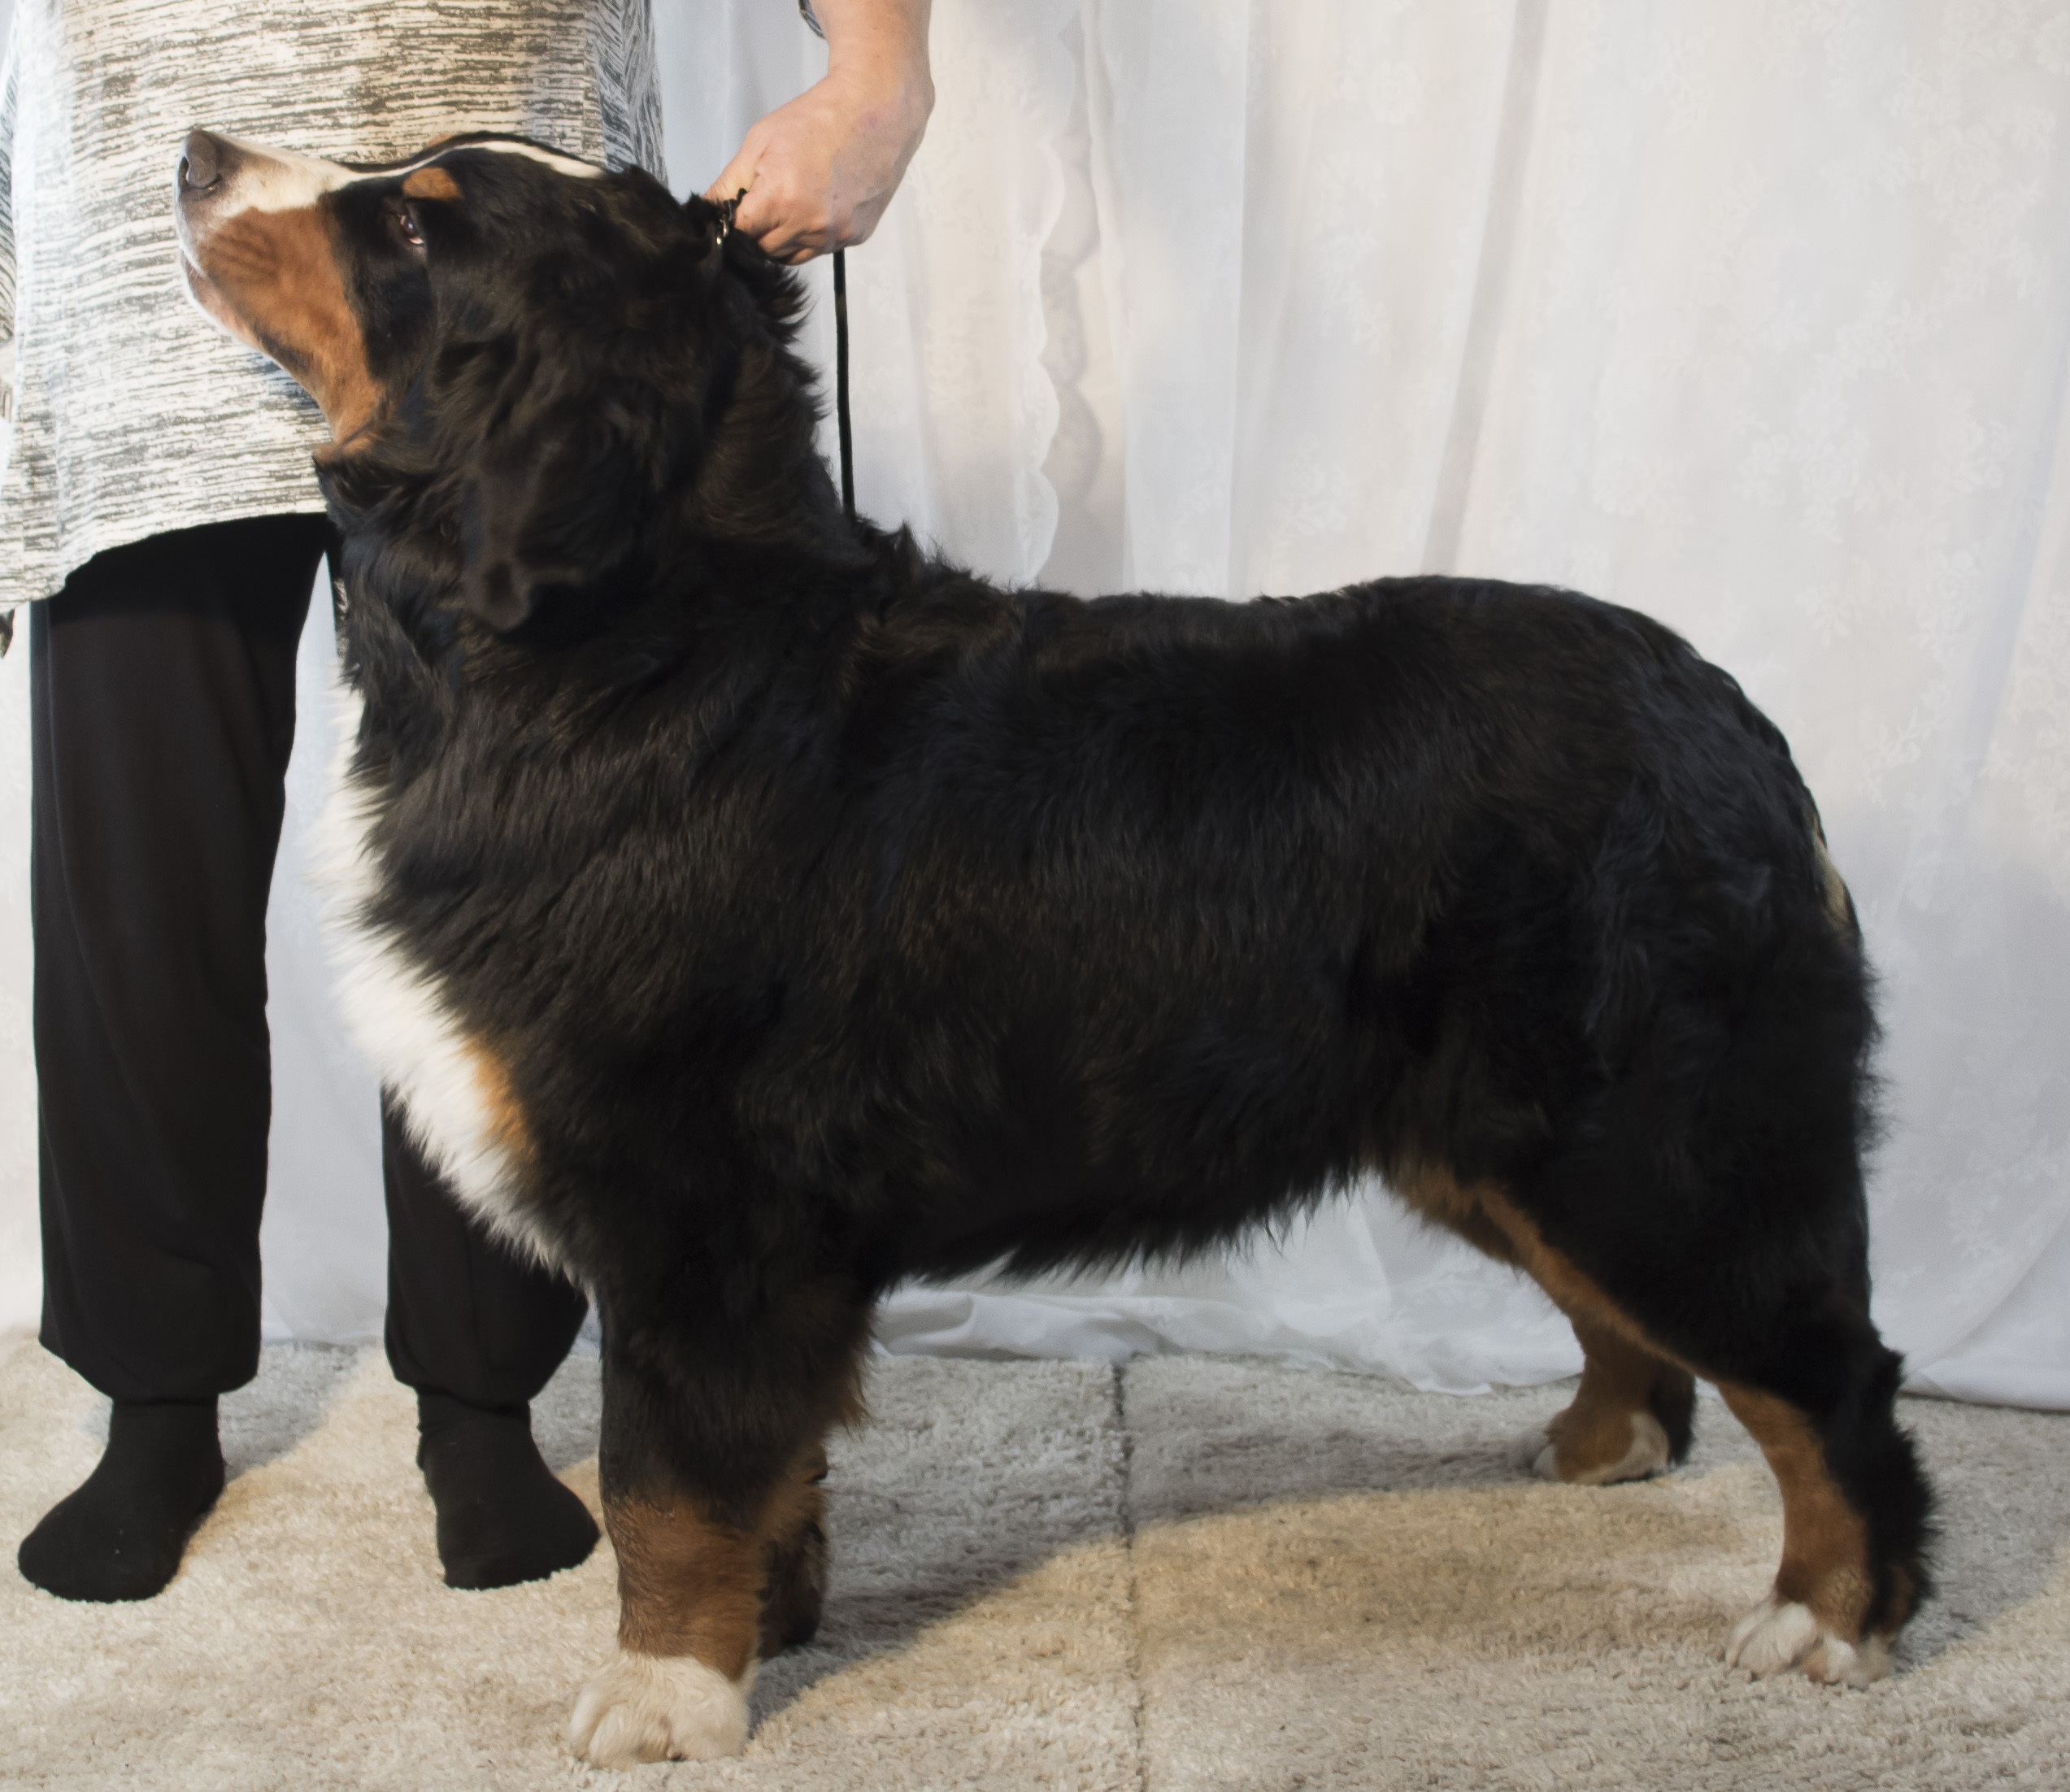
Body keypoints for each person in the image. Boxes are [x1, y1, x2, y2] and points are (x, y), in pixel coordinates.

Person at [0, 0, 930, 1603]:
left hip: (513, 310)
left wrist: (878, 73)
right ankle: (153, 1402)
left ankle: (482, 1402)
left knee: (533, 893)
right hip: (140, 290)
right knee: (134, 904)